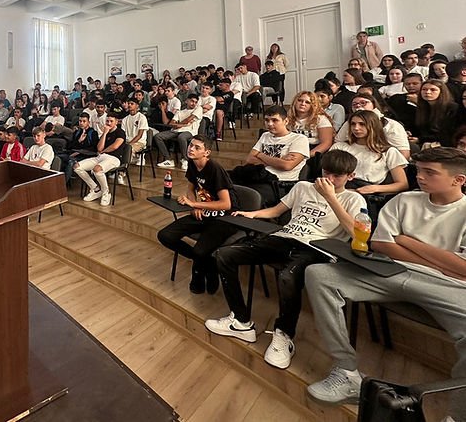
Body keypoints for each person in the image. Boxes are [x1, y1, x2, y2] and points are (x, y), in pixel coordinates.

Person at [305, 147, 466, 416]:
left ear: (458, 179)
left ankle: (458, 415)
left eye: (430, 172)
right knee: (319, 274)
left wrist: (405, 240)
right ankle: (346, 370)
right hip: (391, 271)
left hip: (444, 286)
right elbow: (381, 244)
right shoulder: (404, 200)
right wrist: (442, 261)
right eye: (419, 171)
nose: (420, 177)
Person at [205, 150, 365, 369]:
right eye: (326, 172)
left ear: (350, 176)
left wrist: (330, 197)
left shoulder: (354, 199)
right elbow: (277, 210)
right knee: (225, 254)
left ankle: (284, 334)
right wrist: (252, 214)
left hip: (316, 248)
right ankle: (241, 322)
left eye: (337, 176)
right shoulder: (303, 187)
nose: (329, 179)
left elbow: (356, 234)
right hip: (285, 237)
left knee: (287, 277)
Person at [157, 135, 239, 295]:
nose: (191, 149)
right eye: (190, 145)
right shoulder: (193, 163)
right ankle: (209, 264)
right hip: (205, 212)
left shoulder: (214, 168)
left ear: (206, 152)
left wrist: (194, 204)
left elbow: (226, 204)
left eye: (197, 147)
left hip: (226, 217)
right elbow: (190, 188)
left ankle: (200, 272)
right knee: (165, 235)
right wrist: (194, 204)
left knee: (199, 251)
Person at [233, 106, 310, 205]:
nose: (269, 124)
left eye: (274, 120)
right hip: (257, 177)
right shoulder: (265, 135)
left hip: (280, 184)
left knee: (244, 196)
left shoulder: (299, 139)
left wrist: (261, 155)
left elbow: (287, 166)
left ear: (286, 121)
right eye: (267, 120)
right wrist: (279, 160)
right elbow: (250, 159)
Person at [329, 111, 409, 196]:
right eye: (353, 124)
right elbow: (326, 172)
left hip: (366, 192)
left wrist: (375, 188)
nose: (356, 128)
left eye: (362, 124)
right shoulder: (339, 147)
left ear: (373, 126)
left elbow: (402, 184)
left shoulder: (388, 151)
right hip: (336, 189)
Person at [75, 115, 126, 207]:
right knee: (77, 167)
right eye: (107, 121)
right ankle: (96, 189)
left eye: (111, 121)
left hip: (114, 158)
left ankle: (106, 193)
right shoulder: (105, 133)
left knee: (97, 170)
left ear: (116, 122)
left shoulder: (120, 132)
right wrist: (105, 133)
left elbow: (115, 146)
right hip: (100, 157)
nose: (108, 123)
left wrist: (103, 151)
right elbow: (99, 148)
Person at [155, 93, 203, 170]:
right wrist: (181, 125)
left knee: (181, 137)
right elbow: (171, 123)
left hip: (190, 131)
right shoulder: (180, 112)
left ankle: (185, 159)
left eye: (195, 102)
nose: (194, 103)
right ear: (187, 101)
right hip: (176, 130)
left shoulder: (198, 109)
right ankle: (168, 159)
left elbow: (188, 119)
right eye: (192, 101)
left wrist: (178, 124)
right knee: (158, 136)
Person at [412, 78, 459, 148]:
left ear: (441, 92)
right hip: (426, 141)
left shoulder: (452, 108)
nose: (427, 92)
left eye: (433, 90)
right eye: (424, 89)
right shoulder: (422, 108)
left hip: (445, 143)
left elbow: (448, 133)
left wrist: (421, 139)